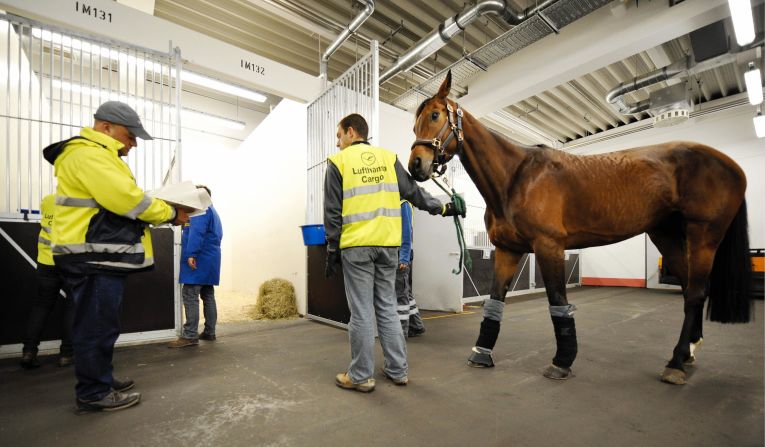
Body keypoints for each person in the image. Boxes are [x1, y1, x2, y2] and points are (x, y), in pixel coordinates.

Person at [42, 100, 189, 413]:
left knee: (102, 324)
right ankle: (93, 392)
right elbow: (126, 200)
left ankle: (101, 379)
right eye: (130, 135)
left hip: (96, 255)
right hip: (92, 256)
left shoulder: (96, 155)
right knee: (95, 326)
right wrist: (171, 212)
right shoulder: (90, 154)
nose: (133, 143)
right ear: (105, 126)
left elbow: (121, 198)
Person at [324, 113, 463, 393]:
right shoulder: (388, 158)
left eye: (339, 135)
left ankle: (361, 376)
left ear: (351, 132)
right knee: (387, 307)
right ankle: (397, 370)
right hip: (389, 246)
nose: (337, 142)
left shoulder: (337, 163)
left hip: (357, 247)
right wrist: (443, 207)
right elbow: (413, 192)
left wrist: (331, 249)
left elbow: (332, 212)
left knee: (362, 312)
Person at [20, 194, 75, 369]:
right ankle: (66, 354)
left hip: (45, 261)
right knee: (73, 307)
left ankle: (29, 352)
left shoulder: (47, 200)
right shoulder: (80, 202)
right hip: (70, 261)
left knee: (41, 306)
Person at [168, 185, 223, 348]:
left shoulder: (201, 210)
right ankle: (209, 331)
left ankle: (190, 335)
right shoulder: (213, 211)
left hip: (199, 257)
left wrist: (191, 254)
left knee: (190, 293)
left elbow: (197, 232)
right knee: (207, 294)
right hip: (210, 258)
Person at [396, 199, 425, 338]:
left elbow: (406, 232)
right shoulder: (400, 202)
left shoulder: (403, 203)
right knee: (405, 292)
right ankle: (416, 325)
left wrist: (403, 258)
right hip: (401, 253)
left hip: (401, 254)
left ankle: (401, 332)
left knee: (400, 294)